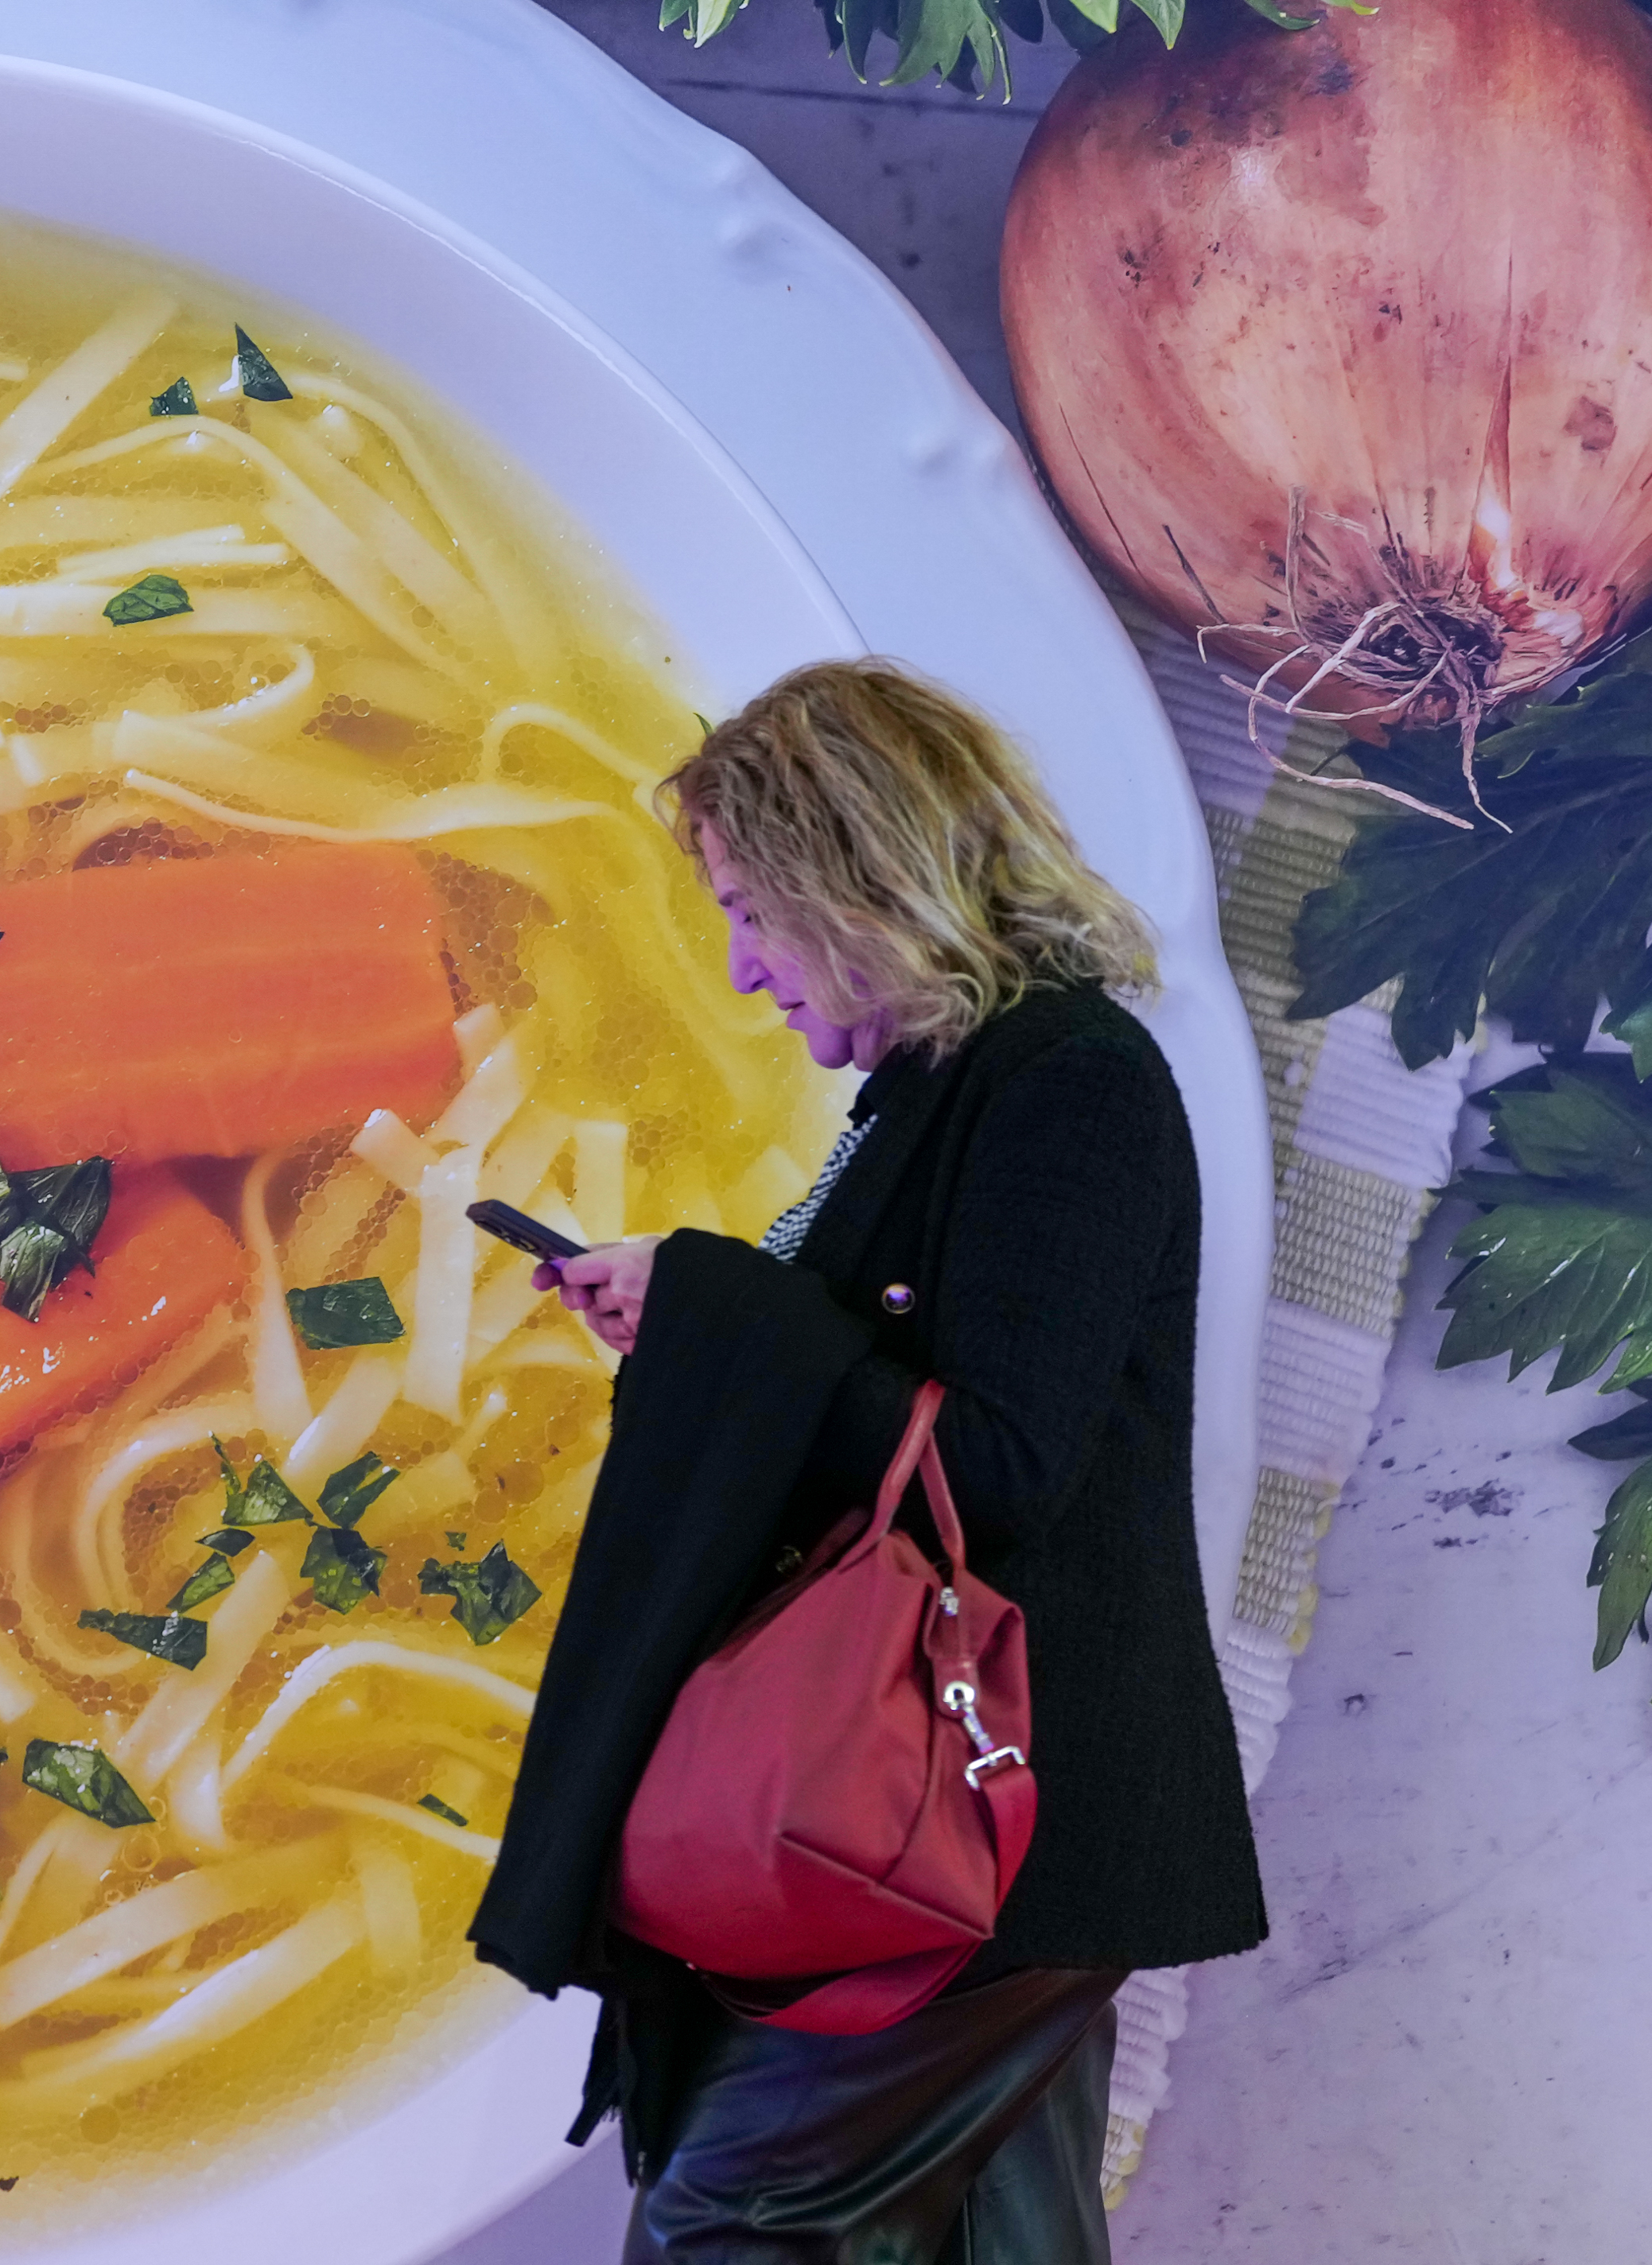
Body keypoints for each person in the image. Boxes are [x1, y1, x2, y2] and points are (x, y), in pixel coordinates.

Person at [467, 659, 1266, 2263]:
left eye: (754, 914)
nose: (751, 973)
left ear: (863, 877)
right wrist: (692, 1318)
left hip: (973, 1824)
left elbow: (1003, 1460)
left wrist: (718, 1308)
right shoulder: (948, 1085)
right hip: (968, 1826)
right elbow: (876, 1382)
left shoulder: (1070, 1080)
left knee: (734, 2223)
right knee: (1002, 2240)